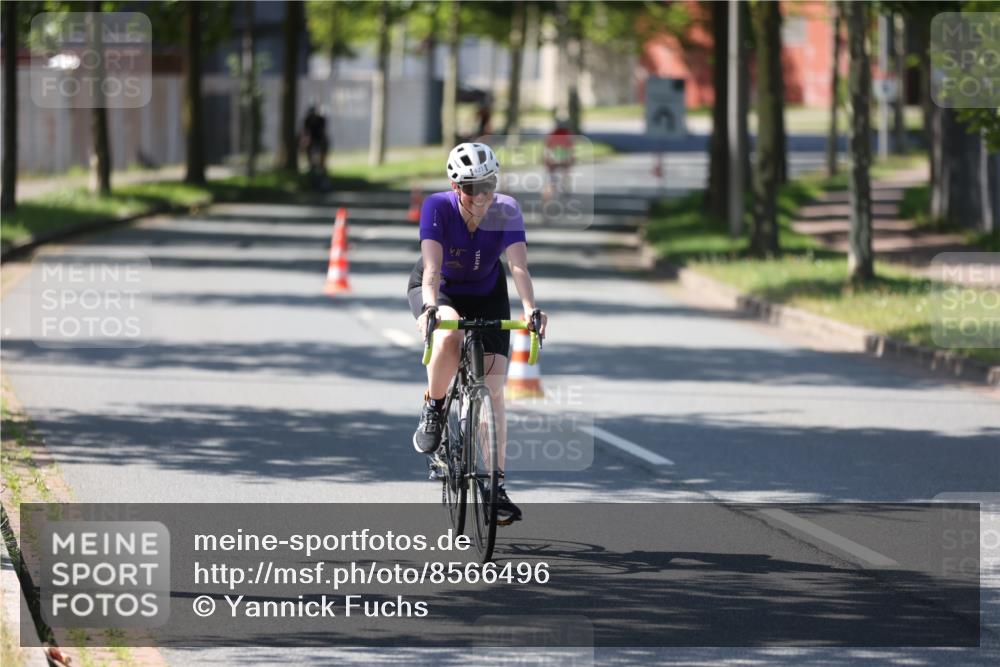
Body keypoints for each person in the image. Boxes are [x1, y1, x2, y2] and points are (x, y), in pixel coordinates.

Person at [407, 142, 548, 524]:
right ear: (457, 188)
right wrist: (431, 309)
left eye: (489, 184)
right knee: (450, 338)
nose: (482, 195)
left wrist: (530, 309)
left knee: (494, 387)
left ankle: (495, 486)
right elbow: (433, 270)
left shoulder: (506, 209)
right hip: (441, 290)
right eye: (472, 188)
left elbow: (518, 267)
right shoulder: (437, 208)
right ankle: (434, 407)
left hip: (488, 293)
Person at [542, 117, 574, 200]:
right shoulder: (568, 134)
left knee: (552, 172)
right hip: (564, 156)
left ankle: (553, 187)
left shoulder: (551, 134)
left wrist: (545, 157)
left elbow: (547, 146)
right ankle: (565, 187)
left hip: (553, 156)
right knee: (566, 171)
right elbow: (570, 147)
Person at [300, 105, 329, 173]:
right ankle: (311, 166)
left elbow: (323, 131)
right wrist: (304, 141)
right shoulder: (307, 120)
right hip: (312, 139)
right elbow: (306, 132)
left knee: (323, 147)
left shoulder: (321, 119)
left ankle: (322, 165)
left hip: (320, 138)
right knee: (309, 149)